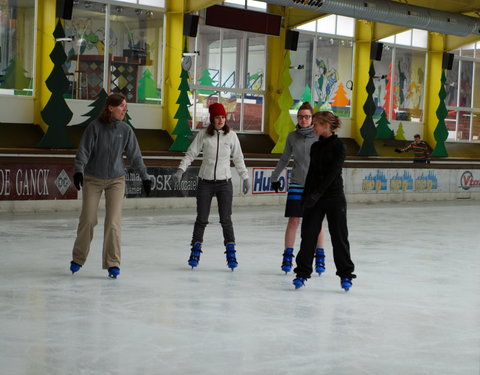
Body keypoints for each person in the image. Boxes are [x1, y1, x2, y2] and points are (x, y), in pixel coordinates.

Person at [70, 93, 152, 279]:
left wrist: (145, 177)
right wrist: (78, 171)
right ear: (110, 107)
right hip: (93, 178)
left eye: (125, 106)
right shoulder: (94, 128)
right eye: (122, 106)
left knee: (113, 222)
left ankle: (113, 263)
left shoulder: (125, 129)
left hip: (116, 180)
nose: (125, 109)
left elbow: (135, 156)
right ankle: (78, 258)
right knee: (88, 219)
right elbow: (83, 151)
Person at [172, 102, 249, 271]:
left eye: (223, 117)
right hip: (205, 182)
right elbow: (191, 153)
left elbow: (238, 158)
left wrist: (245, 177)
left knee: (226, 219)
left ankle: (231, 253)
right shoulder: (203, 135)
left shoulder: (232, 136)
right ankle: (195, 251)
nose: (220, 120)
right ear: (212, 119)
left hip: (224, 184)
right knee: (202, 219)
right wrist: (180, 170)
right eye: (217, 117)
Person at [293, 111, 356, 291]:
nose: (313, 127)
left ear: (327, 125)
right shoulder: (315, 146)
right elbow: (312, 173)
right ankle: (302, 272)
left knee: (339, 236)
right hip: (314, 198)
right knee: (308, 236)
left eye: (316, 124)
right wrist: (306, 197)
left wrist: (317, 194)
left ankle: (345, 274)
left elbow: (332, 174)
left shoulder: (339, 146)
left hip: (334, 197)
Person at [270, 102, 326, 275]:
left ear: (312, 118)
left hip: (315, 186)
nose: (303, 119)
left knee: (316, 222)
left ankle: (320, 257)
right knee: (294, 220)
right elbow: (284, 159)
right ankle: (288, 256)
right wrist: (274, 177)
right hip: (297, 183)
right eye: (301, 116)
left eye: (307, 116)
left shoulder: (320, 136)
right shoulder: (292, 137)